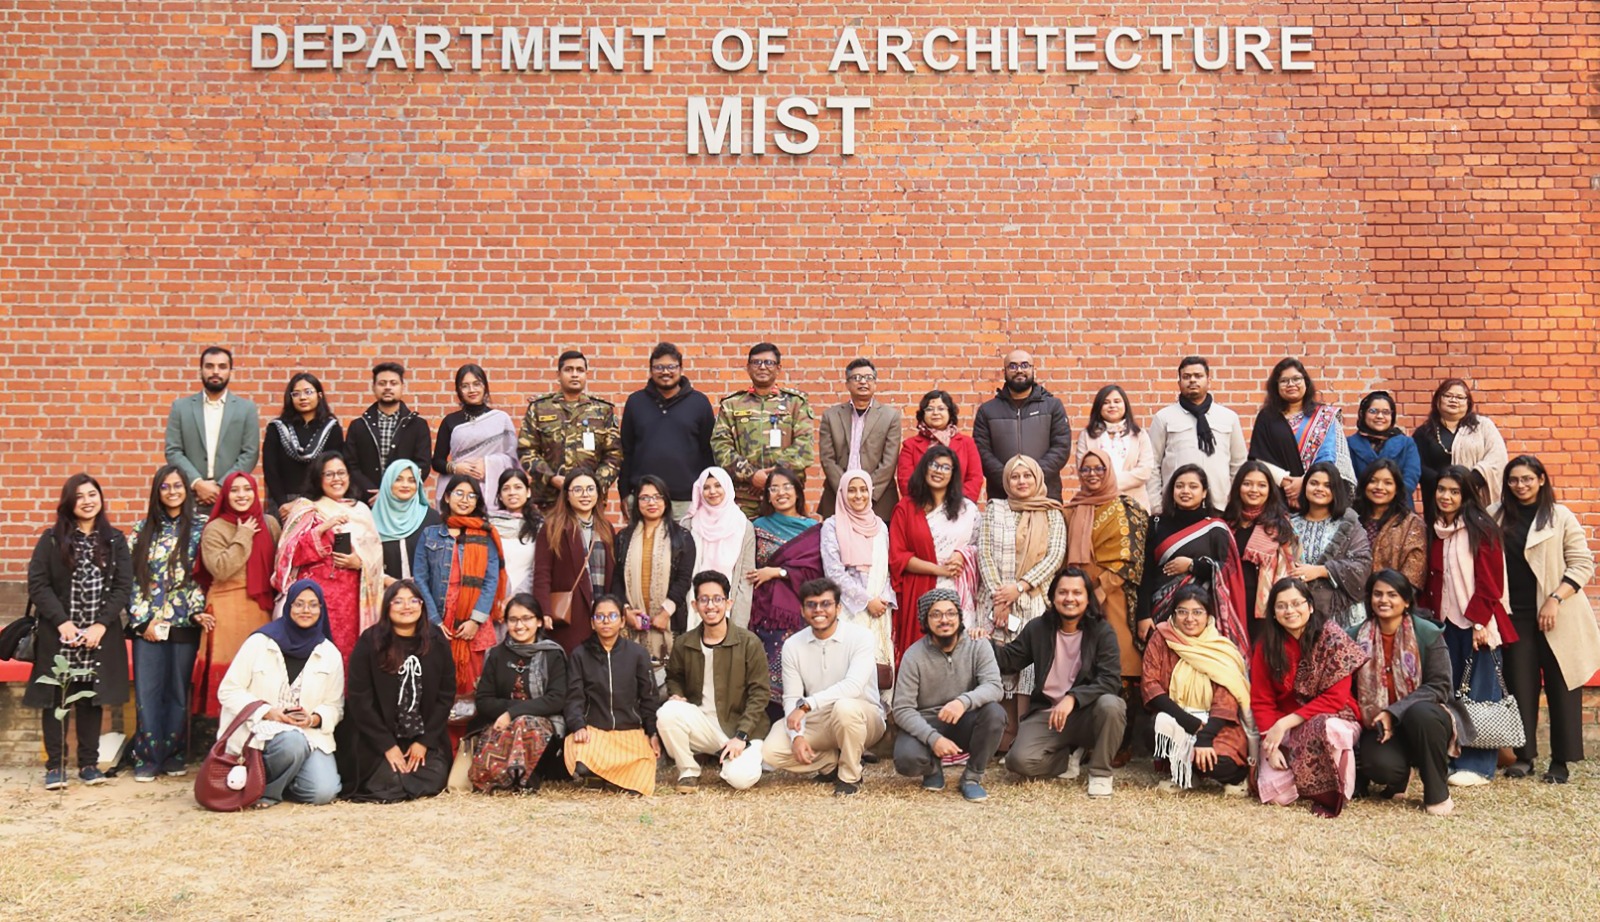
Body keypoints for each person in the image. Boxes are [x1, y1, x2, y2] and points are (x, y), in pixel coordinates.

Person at [24, 474, 133, 790]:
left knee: (90, 699)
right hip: (60, 635)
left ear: (100, 498)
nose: (87, 501)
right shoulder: (52, 539)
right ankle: (55, 766)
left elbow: (123, 586)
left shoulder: (114, 540)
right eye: (80, 496)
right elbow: (38, 584)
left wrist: (100, 625)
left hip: (98, 637)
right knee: (56, 699)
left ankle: (88, 764)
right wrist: (62, 622)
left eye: (92, 494)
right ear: (69, 503)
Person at [1496, 456, 1600, 784]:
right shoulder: (1495, 515)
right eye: (1514, 480)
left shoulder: (1560, 516)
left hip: (1558, 613)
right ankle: (1524, 756)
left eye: (1527, 478)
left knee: (1562, 684)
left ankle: (1561, 761)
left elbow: (1582, 563)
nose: (1520, 485)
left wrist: (1555, 598)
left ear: (1541, 479)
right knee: (1520, 685)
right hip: (1515, 615)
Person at [1420, 465, 1517, 786]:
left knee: (1480, 692)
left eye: (1454, 491)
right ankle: (1453, 756)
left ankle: (1479, 765)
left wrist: (1479, 622)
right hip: (1444, 623)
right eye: (1441, 490)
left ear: (1466, 496)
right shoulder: (1435, 529)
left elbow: (1491, 584)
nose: (1446, 497)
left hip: (1478, 623)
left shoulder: (1482, 529)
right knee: (1450, 691)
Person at [993, 568, 1127, 797]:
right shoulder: (1038, 628)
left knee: (1112, 705)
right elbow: (1009, 660)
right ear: (1053, 597)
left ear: (1087, 598)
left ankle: (1100, 773)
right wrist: (982, 643)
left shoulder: (1102, 631)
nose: (1070, 598)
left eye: (1077, 593)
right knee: (1018, 762)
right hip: (1049, 713)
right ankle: (1068, 757)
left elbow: (1110, 680)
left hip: (1086, 713)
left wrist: (1073, 698)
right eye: (1063, 592)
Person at [215, 579, 343, 808]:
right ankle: (265, 791)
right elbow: (228, 690)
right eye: (299, 604)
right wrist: (268, 712)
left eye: (313, 605)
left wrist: (313, 719)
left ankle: (283, 778)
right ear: (288, 606)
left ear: (321, 609)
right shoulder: (260, 643)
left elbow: (335, 706)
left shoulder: (329, 653)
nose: (306, 610)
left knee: (322, 792)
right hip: (259, 731)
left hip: (308, 734)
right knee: (291, 743)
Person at [1251, 577, 1367, 817]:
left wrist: (1283, 723)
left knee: (1327, 728)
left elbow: (1335, 699)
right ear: (1273, 613)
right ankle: (1301, 779)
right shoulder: (1267, 646)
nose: (1290, 611)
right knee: (1277, 797)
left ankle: (1335, 788)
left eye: (1296, 603)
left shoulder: (1333, 639)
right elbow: (1262, 700)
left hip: (1335, 717)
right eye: (1281, 606)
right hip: (1286, 729)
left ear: (1310, 606)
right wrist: (1270, 745)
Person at [761, 578, 887, 796]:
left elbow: (853, 686)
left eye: (826, 604)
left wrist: (807, 705)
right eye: (811, 605)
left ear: (838, 608)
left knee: (845, 707)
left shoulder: (861, 637)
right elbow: (791, 697)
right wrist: (797, 736)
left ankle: (850, 776)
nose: (819, 610)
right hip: (818, 718)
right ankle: (829, 762)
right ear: (802, 611)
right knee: (771, 752)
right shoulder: (792, 645)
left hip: (863, 717)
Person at [1064, 449, 1150, 756]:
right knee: (1081, 664)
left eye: (1098, 468)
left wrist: (1100, 590)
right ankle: (1087, 741)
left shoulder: (1128, 507)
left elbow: (1134, 557)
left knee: (1121, 664)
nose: (1092, 474)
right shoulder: (1072, 509)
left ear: (1109, 470)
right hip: (1075, 598)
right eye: (1085, 469)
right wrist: (1079, 594)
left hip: (1114, 597)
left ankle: (1120, 744)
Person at [1349, 570, 1456, 815]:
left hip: (1425, 721)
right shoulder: (1355, 637)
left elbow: (1440, 685)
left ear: (1406, 601)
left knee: (1421, 713)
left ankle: (1437, 793)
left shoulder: (1427, 633)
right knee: (1380, 766)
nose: (1383, 600)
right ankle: (1400, 776)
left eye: (1392, 594)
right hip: (1378, 725)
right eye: (1377, 594)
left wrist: (1393, 712)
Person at [127, 466, 208, 781]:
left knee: (177, 692)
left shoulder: (201, 528)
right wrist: (142, 620)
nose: (172, 492)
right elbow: (130, 579)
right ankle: (147, 757)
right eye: (165, 486)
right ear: (157, 492)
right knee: (148, 693)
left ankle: (173, 755)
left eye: (178, 486)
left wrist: (196, 611)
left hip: (185, 623)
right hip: (148, 626)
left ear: (187, 490)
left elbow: (202, 578)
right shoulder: (142, 529)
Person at [658, 571, 772, 792]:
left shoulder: (749, 643)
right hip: (704, 725)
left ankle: (734, 760)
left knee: (740, 780)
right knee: (668, 712)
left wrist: (741, 735)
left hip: (741, 729)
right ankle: (688, 770)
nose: (711, 606)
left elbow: (760, 693)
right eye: (704, 599)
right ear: (695, 605)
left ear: (728, 603)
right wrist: (677, 693)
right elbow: (674, 677)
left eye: (717, 599)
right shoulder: (684, 642)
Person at [979, 455, 1068, 734]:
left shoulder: (1052, 512)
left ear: (1037, 478)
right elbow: (984, 554)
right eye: (1015, 476)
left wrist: (1019, 588)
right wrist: (1000, 598)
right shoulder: (995, 509)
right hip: (995, 602)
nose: (1021, 481)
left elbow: (1054, 557)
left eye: (1027, 475)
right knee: (996, 661)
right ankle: (1001, 734)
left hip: (1034, 601)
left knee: (1029, 667)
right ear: (1006, 481)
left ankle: (1026, 734)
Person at [344, 580, 455, 802]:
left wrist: (424, 743)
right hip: (378, 738)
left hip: (422, 736)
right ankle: (395, 780)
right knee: (386, 780)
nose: (407, 607)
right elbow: (359, 698)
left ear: (422, 605)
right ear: (387, 606)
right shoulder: (370, 641)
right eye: (398, 601)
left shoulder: (436, 640)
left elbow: (445, 695)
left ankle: (404, 779)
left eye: (413, 601)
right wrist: (387, 745)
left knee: (434, 777)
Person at [892, 588, 1006, 802]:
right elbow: (902, 709)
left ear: (960, 617)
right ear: (925, 621)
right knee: (907, 760)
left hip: (965, 719)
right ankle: (932, 769)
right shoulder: (913, 656)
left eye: (951, 613)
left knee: (994, 713)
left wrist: (963, 702)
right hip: (928, 722)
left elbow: (994, 686)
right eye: (936, 614)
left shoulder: (978, 645)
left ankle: (972, 778)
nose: (944, 620)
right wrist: (933, 739)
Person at [273, 452, 384, 663]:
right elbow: (289, 556)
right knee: (314, 657)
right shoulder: (306, 509)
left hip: (352, 601)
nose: (336, 479)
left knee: (348, 655)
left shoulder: (361, 510)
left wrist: (359, 563)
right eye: (329, 474)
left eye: (341, 473)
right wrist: (324, 528)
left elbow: (376, 556)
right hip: (314, 599)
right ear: (318, 478)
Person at [1140, 586, 1252, 794]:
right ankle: (1186, 774)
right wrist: (1189, 722)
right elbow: (1150, 685)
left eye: (1197, 612)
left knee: (1221, 763)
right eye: (1182, 612)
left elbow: (1225, 701)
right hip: (1179, 717)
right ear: (1174, 614)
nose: (1189, 619)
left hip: (1216, 724)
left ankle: (1233, 777)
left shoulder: (1221, 648)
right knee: (1154, 730)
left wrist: (1205, 737)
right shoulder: (1162, 638)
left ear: (1208, 616)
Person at [413, 475, 505, 712]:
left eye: (471, 495)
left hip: (471, 621)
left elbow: (491, 580)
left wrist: (475, 620)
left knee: (471, 684)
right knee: (436, 680)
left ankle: (466, 734)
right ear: (447, 497)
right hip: (438, 618)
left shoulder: (485, 536)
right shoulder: (430, 534)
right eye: (459, 493)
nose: (465, 500)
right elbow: (420, 579)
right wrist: (434, 620)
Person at [1138, 465, 1249, 658]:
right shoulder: (1156, 524)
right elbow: (1146, 573)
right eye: (1179, 486)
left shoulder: (1216, 527)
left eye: (1193, 486)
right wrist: (1143, 615)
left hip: (1203, 616)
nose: (1185, 491)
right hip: (1161, 615)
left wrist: (1192, 565)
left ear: (1204, 492)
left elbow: (1230, 570)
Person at [194, 472, 281, 717]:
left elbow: (280, 563)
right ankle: (226, 734)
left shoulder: (269, 523)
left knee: (260, 670)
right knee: (232, 673)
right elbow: (220, 569)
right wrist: (244, 535)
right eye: (234, 490)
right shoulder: (215, 528)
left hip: (261, 608)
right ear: (225, 495)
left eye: (247, 489)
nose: (242, 495)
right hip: (226, 609)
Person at [467, 594, 568, 793]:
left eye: (526, 618)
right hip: (501, 726)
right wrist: (509, 715)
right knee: (517, 725)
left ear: (539, 621)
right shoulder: (497, 654)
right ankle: (505, 777)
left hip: (544, 730)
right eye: (513, 620)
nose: (519, 625)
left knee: (524, 723)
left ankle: (521, 779)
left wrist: (512, 713)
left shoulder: (552, 654)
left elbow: (556, 699)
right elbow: (484, 700)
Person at [889, 445, 980, 661]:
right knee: (922, 653)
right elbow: (898, 556)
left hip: (957, 586)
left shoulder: (967, 509)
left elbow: (979, 545)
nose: (939, 471)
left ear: (953, 474)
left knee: (958, 651)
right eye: (934, 465)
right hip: (920, 587)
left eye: (946, 467)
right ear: (924, 468)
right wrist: (939, 570)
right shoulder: (905, 508)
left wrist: (962, 554)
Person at [563, 594, 661, 795]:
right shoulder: (580, 654)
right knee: (579, 754)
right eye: (600, 617)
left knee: (645, 763)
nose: (606, 621)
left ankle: (606, 776)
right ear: (592, 623)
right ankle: (604, 775)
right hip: (595, 732)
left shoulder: (637, 654)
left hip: (629, 731)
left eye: (612, 616)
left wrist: (652, 732)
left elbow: (649, 697)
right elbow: (574, 696)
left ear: (622, 621)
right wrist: (578, 725)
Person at [712, 342, 817, 518]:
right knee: (745, 536)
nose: (762, 367)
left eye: (768, 362)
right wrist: (752, 475)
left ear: (778, 368)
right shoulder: (731, 405)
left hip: (785, 495)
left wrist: (771, 479)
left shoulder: (795, 403)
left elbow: (804, 447)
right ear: (748, 368)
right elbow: (720, 447)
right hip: (744, 498)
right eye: (756, 362)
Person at [748, 469, 824, 704]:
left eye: (787, 487)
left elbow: (817, 572)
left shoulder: (814, 529)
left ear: (798, 492)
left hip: (800, 611)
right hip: (764, 612)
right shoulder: (757, 526)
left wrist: (778, 572)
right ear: (768, 496)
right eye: (774, 489)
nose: (781, 493)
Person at [619, 343, 716, 519]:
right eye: (659, 367)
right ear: (650, 370)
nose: (665, 372)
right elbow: (626, 451)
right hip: (644, 499)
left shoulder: (699, 403)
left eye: (671, 367)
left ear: (681, 369)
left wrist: (708, 491)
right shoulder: (635, 402)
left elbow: (708, 452)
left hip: (686, 502)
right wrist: (624, 492)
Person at [517, 350, 622, 509]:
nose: (574, 374)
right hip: (549, 500)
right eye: (568, 369)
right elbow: (526, 450)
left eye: (580, 370)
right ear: (558, 374)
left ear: (586, 374)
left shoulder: (602, 410)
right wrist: (551, 478)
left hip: (590, 502)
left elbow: (614, 455)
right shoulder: (539, 408)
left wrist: (592, 485)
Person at [612, 475, 697, 667]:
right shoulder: (623, 537)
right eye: (645, 498)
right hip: (631, 624)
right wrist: (626, 611)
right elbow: (616, 578)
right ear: (637, 502)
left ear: (666, 501)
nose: (652, 503)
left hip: (669, 623)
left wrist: (665, 613)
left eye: (658, 497)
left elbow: (684, 579)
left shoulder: (682, 537)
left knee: (669, 676)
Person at [821, 470, 897, 680]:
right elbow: (833, 571)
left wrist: (882, 599)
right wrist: (866, 600)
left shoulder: (880, 527)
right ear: (842, 493)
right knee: (850, 670)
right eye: (852, 490)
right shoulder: (832, 525)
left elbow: (886, 569)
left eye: (863, 490)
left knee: (879, 673)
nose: (858, 495)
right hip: (849, 609)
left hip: (879, 609)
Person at [1146, 356, 1247, 514]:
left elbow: (1238, 464)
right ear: (1179, 382)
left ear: (1209, 381)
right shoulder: (1164, 417)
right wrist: (1156, 506)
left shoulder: (1228, 417)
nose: (1192, 380)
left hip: (1219, 506)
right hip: (1176, 508)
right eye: (1186, 377)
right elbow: (1152, 464)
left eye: (1198, 376)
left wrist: (1234, 504)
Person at [164, 346, 261, 509]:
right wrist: (197, 483)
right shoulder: (180, 408)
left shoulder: (246, 409)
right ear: (201, 370)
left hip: (230, 497)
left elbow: (250, 453)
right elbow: (173, 450)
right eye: (209, 366)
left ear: (230, 371)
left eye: (222, 367)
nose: (215, 371)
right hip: (190, 496)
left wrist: (221, 486)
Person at [1249, 357, 1356, 504]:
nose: (1291, 384)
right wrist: (1287, 483)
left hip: (1317, 494)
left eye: (1296, 379)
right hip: (1277, 496)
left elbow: (1328, 457)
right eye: (1284, 381)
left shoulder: (1324, 416)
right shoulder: (1267, 417)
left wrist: (1305, 482)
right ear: (1276, 386)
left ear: (1305, 382)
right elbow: (1259, 457)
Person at [972, 349, 1073, 500]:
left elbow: (1061, 447)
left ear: (1033, 369)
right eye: (1013, 366)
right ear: (1004, 371)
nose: (1019, 370)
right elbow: (982, 452)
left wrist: (1033, 477)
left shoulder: (1053, 406)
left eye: (1025, 365)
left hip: (1045, 495)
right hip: (1002, 497)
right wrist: (1009, 479)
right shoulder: (987, 411)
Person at [534, 469, 615, 652]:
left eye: (590, 489)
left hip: (601, 615)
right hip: (570, 615)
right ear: (567, 495)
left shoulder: (606, 528)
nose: (585, 495)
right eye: (577, 490)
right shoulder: (553, 526)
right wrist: (544, 611)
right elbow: (542, 573)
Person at [1289, 461, 1373, 627]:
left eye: (1327, 485)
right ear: (1305, 487)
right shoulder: (1290, 524)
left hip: (1342, 613)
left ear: (1336, 491)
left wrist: (1322, 571)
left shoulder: (1349, 525)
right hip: (1298, 611)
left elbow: (1363, 566)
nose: (1319, 489)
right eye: (1314, 483)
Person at [818, 358, 902, 520]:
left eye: (868, 378)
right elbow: (827, 458)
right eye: (856, 378)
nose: (863, 382)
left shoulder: (890, 416)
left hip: (879, 500)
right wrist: (845, 491)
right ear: (847, 384)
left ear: (875, 383)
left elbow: (889, 462)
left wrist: (865, 493)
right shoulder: (831, 416)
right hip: (837, 497)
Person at [1414, 378, 1509, 520]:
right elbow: (1418, 465)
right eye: (1448, 396)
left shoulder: (1483, 426)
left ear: (1468, 402)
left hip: (1476, 496)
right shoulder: (1424, 432)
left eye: (1460, 397)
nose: (1454, 400)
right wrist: (1446, 485)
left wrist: (1469, 482)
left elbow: (1497, 457)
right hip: (1439, 500)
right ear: (1438, 400)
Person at [432, 363, 520, 513]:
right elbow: (437, 462)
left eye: (476, 384)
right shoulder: (450, 421)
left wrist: (488, 465)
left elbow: (513, 460)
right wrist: (456, 468)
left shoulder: (501, 419)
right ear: (459, 390)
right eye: (465, 386)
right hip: (459, 491)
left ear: (485, 386)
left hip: (492, 491)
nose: (472, 390)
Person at [1222, 460, 1298, 632]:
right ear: (1238, 487)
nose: (1254, 490)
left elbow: (1291, 568)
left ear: (1270, 490)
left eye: (1261, 485)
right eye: (1247, 484)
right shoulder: (1226, 523)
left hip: (1266, 607)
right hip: (1230, 601)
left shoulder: (1280, 526)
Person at [345, 362, 433, 503]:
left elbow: (422, 465)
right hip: (366, 501)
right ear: (373, 387)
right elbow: (351, 466)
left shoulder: (418, 425)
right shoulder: (359, 426)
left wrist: (390, 492)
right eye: (382, 383)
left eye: (393, 383)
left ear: (402, 387)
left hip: (404, 501)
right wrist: (370, 492)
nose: (387, 387)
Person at [263, 372, 345, 518]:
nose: (303, 397)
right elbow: (270, 470)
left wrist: (305, 502)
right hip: (283, 503)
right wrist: (282, 503)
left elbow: (332, 469)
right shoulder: (277, 428)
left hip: (319, 501)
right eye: (296, 394)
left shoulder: (331, 428)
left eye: (308, 392)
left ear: (319, 395)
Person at [682, 468, 755, 628]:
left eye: (718, 485)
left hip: (728, 609)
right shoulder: (689, 524)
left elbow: (745, 578)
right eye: (706, 487)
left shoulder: (743, 526)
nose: (712, 491)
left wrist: (738, 624)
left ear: (727, 487)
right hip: (693, 608)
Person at [896, 389, 985, 504]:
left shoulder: (967, 443)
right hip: (922, 507)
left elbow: (975, 478)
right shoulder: (910, 445)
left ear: (950, 413)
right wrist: (929, 504)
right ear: (923, 414)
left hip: (959, 506)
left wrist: (954, 502)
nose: (935, 413)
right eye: (929, 409)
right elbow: (905, 481)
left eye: (941, 408)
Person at [1075, 385, 1155, 510]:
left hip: (1134, 504)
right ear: (1099, 407)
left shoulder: (1139, 434)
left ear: (1125, 405)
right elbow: (1083, 470)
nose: (1112, 406)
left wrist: (1109, 483)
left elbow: (1144, 471)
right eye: (1106, 403)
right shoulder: (1087, 435)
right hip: (1097, 503)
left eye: (1117, 401)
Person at [1354, 458, 1426, 592]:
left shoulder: (1411, 523)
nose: (1379, 487)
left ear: (1397, 488)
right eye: (1373, 481)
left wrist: (1388, 597)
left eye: (1388, 483)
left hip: (1392, 599)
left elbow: (1414, 574)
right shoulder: (1351, 519)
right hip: (1351, 598)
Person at [1347, 390, 1420, 510]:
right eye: (1373, 411)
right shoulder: (1349, 444)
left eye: (1386, 412)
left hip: (1399, 509)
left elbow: (1410, 478)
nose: (1380, 416)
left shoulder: (1407, 444)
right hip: (1360, 509)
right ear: (1363, 413)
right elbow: (1348, 481)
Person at [370, 460, 440, 584]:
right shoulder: (372, 520)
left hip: (424, 592)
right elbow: (366, 563)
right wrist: (388, 581)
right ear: (388, 482)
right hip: (384, 592)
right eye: (398, 479)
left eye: (412, 480)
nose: (405, 485)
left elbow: (441, 560)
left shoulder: (431, 518)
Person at [491, 469, 542, 602]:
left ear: (528, 492)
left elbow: (539, 569)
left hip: (528, 599)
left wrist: (516, 598)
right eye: (506, 488)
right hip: (493, 597)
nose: (512, 492)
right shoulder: (489, 526)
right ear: (500, 496)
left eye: (518, 487)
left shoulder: (540, 527)